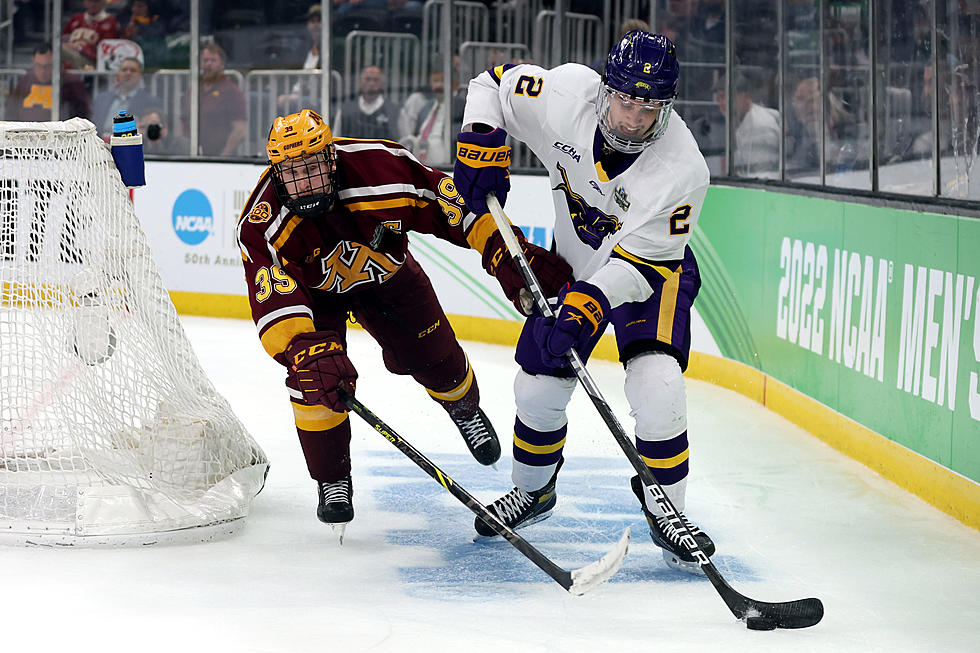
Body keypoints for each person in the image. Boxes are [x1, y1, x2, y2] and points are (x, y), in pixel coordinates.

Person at [236, 109, 571, 537]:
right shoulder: (261, 224)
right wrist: (303, 347)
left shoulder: (383, 168)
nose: (305, 184)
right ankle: (333, 478)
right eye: (292, 174)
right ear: (276, 173)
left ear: (331, 158)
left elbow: (458, 207)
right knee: (314, 377)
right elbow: (273, 301)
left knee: (435, 355)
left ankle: (464, 409)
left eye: (313, 168)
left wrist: (506, 252)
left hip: (388, 275)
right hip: (314, 298)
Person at [453, 31, 715, 574]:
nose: (633, 117)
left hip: (651, 273)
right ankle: (534, 491)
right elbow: (491, 83)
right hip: (573, 265)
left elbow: (647, 266)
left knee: (657, 381)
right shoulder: (567, 95)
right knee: (537, 383)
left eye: (649, 105)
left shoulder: (683, 171)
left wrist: (588, 304)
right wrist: (481, 138)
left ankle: (671, 512)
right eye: (625, 98)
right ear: (605, 91)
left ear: (666, 107)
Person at [180, 41, 246, 156]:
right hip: (193, 156)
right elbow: (183, 121)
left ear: (222, 64)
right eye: (205, 60)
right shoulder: (194, 90)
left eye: (213, 60)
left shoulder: (231, 91)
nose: (209, 64)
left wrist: (223, 157)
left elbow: (240, 130)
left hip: (222, 157)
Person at [712, 72, 780, 177]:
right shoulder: (741, 119)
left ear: (746, 97)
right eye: (718, 99)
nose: (721, 104)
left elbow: (764, 174)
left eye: (724, 97)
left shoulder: (761, 127)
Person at [398, 67, 466, 166]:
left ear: (454, 84)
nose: (438, 85)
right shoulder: (427, 106)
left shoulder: (460, 106)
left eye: (443, 81)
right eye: (435, 81)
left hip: (447, 161)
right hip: (421, 159)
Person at [7, 43, 92, 121]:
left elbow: (83, 116)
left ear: (56, 64)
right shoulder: (25, 81)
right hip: (27, 134)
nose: (43, 71)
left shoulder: (71, 83)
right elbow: (11, 111)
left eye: (47, 66)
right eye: (38, 65)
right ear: (33, 62)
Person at [92, 56, 161, 138]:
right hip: (99, 145)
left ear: (140, 76)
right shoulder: (101, 99)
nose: (128, 73)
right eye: (124, 70)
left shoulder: (151, 102)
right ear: (118, 75)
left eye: (133, 70)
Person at [336, 65, 400, 140]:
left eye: (376, 80)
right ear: (360, 82)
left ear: (383, 83)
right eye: (367, 79)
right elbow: (334, 141)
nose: (371, 84)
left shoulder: (395, 112)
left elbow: (405, 143)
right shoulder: (345, 111)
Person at [61, 0, 121, 69]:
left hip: (96, 61)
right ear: (84, 2)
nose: (93, 4)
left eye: (96, 1)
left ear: (104, 2)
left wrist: (82, 47)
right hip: (71, 59)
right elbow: (63, 39)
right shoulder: (76, 18)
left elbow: (111, 49)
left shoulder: (111, 22)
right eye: (90, 1)